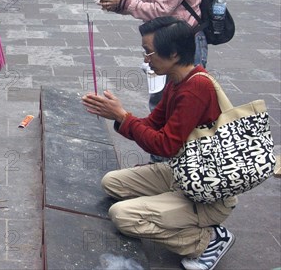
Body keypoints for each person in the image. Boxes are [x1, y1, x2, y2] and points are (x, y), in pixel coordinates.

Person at [81, 17, 236, 270]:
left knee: (122, 216)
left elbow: (165, 146)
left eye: (148, 52)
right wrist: (118, 116)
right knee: (112, 182)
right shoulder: (179, 81)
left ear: (173, 53)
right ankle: (173, 208)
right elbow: (152, 125)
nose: (146, 59)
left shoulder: (196, 88)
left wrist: (123, 117)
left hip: (208, 193)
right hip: (184, 173)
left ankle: (206, 241)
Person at [97, 0, 206, 161]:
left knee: (183, 102)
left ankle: (182, 161)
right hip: (158, 43)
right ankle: (159, 158)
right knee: (159, 100)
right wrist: (119, 3)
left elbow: (161, 10)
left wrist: (124, 3)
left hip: (182, 43)